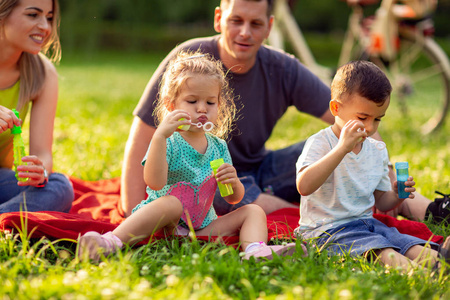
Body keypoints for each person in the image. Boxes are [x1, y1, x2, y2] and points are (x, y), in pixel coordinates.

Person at [120, 0, 448, 224]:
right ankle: (316, 215)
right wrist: (133, 208)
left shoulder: (281, 67)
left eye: (255, 23)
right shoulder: (189, 61)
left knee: (334, 147)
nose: (245, 32)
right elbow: (145, 135)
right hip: (211, 179)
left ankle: (434, 209)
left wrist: (374, 162)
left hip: (263, 168)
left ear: (269, 26)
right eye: (236, 21)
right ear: (220, 19)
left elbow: (352, 114)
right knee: (240, 197)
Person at [79, 51, 302, 261]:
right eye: (192, 101)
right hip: (165, 224)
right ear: (171, 105)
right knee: (172, 204)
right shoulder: (169, 141)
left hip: (203, 228)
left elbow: (233, 198)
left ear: (219, 105)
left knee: (253, 210)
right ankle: (111, 242)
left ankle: (255, 250)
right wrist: (158, 138)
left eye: (210, 102)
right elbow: (154, 183)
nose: (202, 109)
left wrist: (233, 182)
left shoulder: (218, 146)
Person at [295, 60, 449, 270]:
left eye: (378, 119)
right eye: (362, 117)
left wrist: (396, 195)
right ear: (335, 108)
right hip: (325, 230)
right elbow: (304, 186)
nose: (369, 127)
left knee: (404, 242)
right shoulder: (320, 143)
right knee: (381, 250)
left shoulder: (376, 150)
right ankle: (419, 275)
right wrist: (342, 149)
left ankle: (440, 262)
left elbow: (382, 203)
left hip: (367, 224)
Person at [0, 0, 73, 213]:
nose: (46, 27)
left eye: (49, 18)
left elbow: (43, 153)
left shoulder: (43, 73)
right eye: (33, 15)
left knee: (60, 187)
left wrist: (39, 169)